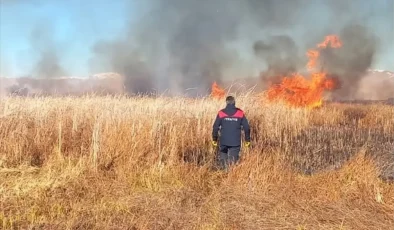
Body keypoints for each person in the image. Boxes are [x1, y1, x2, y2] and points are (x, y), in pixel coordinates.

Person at [212, 95, 251, 170]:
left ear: (226, 103)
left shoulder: (221, 113)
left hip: (223, 141)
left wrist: (214, 139)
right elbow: (247, 128)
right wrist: (247, 140)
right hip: (235, 143)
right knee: (233, 163)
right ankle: (230, 177)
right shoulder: (240, 113)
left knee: (223, 161)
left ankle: (223, 174)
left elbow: (215, 127)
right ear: (234, 102)